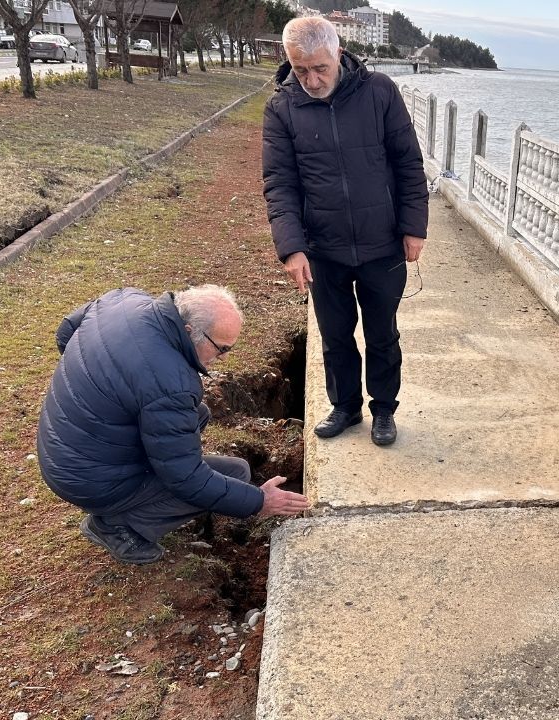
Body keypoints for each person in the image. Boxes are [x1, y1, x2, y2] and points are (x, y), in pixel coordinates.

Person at [36, 285, 310, 565]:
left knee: (197, 414)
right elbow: (187, 479)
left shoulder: (124, 301)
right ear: (190, 331)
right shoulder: (169, 383)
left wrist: (97, 391)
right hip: (87, 478)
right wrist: (259, 501)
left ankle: (143, 479)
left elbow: (66, 331)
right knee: (236, 473)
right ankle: (116, 528)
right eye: (221, 349)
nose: (224, 358)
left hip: (63, 449)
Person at [262, 16, 428, 447]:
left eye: (320, 68)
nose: (312, 80)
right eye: (301, 70)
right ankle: (346, 406)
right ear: (289, 62)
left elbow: (408, 163)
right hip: (323, 247)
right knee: (335, 334)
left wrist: (413, 227)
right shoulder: (282, 108)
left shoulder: (379, 93)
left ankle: (384, 410)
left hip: (382, 243)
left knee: (382, 333)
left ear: (338, 54)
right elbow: (279, 183)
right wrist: (291, 248)